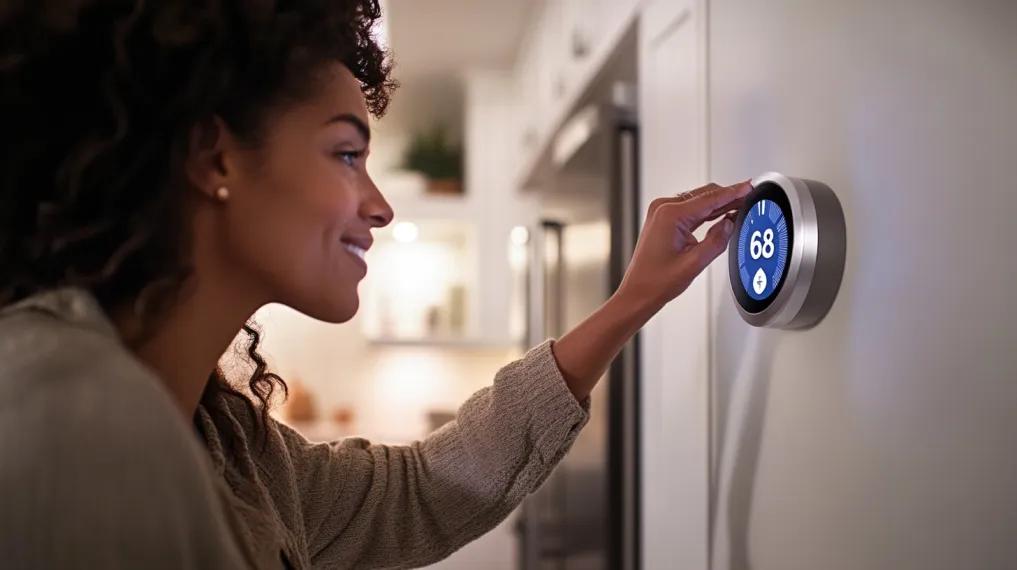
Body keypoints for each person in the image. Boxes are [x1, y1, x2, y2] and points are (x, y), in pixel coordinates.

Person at [0, 1, 750, 568]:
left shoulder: (229, 444)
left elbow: (421, 489)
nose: (380, 207)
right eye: (345, 155)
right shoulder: (65, 409)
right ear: (214, 157)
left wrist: (629, 303)